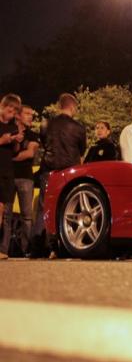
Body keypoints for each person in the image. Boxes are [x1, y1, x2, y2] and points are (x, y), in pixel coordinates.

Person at [31, 93, 87, 257]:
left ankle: (37, 249)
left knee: (43, 208)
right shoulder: (78, 127)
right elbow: (81, 151)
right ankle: (64, 247)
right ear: (72, 107)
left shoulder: (46, 124)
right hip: (69, 172)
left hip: (49, 169)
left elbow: (44, 142)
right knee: (68, 209)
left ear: (59, 106)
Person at [1, 105, 40, 257]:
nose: (31, 117)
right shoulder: (8, 130)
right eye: (27, 114)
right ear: (18, 116)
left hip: (25, 178)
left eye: (32, 114)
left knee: (27, 216)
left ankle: (26, 251)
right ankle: (3, 250)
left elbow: (29, 153)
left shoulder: (33, 135)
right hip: (8, 177)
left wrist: (8, 156)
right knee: (6, 214)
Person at [0, 94, 23, 259]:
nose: (12, 113)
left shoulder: (13, 127)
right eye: (10, 109)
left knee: (3, 210)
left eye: (15, 111)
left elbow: (15, 152)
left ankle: (2, 249)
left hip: (7, 172)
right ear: (3, 106)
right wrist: (2, 140)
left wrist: (16, 141)